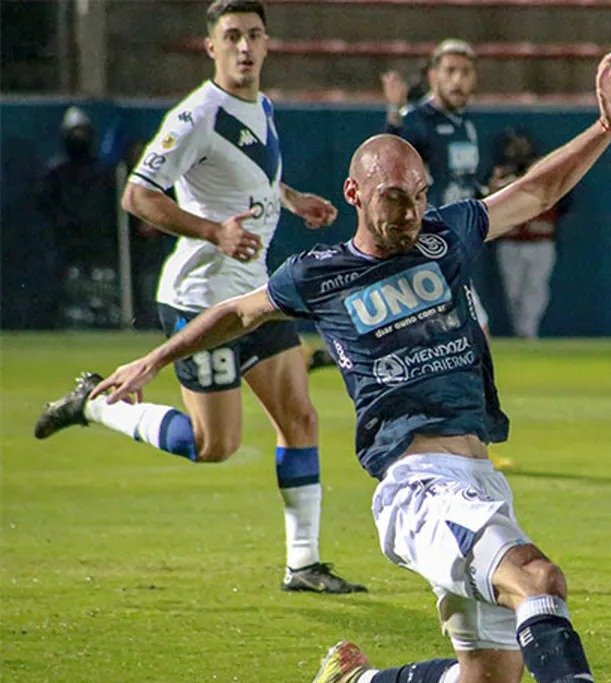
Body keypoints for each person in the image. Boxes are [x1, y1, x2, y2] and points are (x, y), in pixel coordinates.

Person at [87, 53, 611, 683]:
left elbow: (536, 191)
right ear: (355, 193)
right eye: (393, 199)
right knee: (538, 578)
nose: (408, 211)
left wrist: (604, 127)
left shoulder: (446, 233)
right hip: (418, 487)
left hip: (476, 483)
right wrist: (153, 361)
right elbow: (236, 312)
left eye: (417, 195)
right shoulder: (320, 274)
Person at [32, 0, 364, 594]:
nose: (244, 46)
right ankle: (98, 406)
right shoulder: (196, 116)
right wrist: (214, 231)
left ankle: (304, 563)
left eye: (254, 35)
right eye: (232, 36)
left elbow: (249, 175)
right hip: (199, 298)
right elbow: (138, 196)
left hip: (255, 294)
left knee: (301, 418)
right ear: (210, 46)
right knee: (216, 445)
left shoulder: (259, 104)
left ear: (267, 44)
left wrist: (292, 200)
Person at [381, 38, 491, 335]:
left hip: (454, 242)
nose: (458, 80)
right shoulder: (418, 120)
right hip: (426, 242)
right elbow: (391, 164)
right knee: (475, 333)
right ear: (433, 76)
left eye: (466, 72)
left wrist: (484, 192)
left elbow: (459, 181)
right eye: (450, 71)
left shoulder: (464, 124)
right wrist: (394, 116)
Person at [32, 106, 120, 328]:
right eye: (74, 133)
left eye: (83, 133)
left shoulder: (103, 173)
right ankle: (60, 321)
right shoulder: (55, 172)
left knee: (103, 283)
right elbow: (43, 204)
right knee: (64, 284)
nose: (79, 139)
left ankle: (105, 321)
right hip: (64, 242)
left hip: (99, 241)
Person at [489, 128, 570, 339]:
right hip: (511, 240)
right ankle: (521, 330)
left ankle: (528, 332)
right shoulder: (500, 174)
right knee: (513, 290)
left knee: (536, 289)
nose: (519, 151)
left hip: (541, 241)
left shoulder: (545, 172)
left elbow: (566, 202)